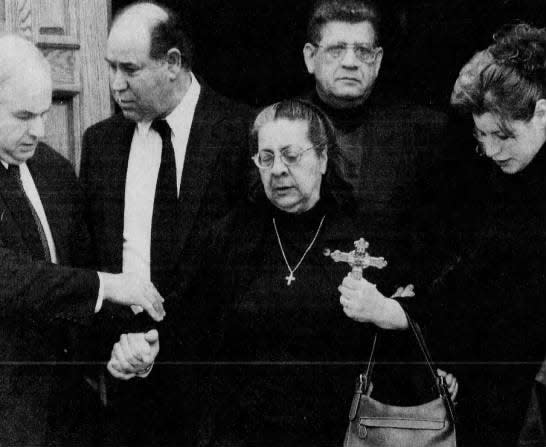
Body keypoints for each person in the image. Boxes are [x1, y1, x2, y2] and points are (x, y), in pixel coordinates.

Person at [180, 99, 457, 447]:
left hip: (342, 432)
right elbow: (189, 328)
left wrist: (390, 312)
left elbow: (437, 315)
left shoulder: (370, 236)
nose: (277, 169)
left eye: (291, 156)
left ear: (323, 158)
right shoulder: (230, 237)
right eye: (266, 158)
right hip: (243, 433)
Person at [79, 1, 252, 444]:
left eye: (130, 69)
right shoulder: (100, 144)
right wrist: (112, 350)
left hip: (216, 385)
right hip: (126, 378)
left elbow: (249, 264)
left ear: (173, 63)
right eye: (110, 67)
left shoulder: (241, 132)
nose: (116, 84)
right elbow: (89, 260)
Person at [0, 33, 165, 446]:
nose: (39, 130)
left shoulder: (52, 169)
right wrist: (109, 285)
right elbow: (11, 277)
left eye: (43, 113)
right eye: (23, 116)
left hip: (70, 419)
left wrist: (128, 342)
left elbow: (84, 272)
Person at [422, 22, 546, 446]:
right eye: (482, 138)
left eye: (504, 135)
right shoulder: (498, 182)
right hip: (498, 393)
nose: (492, 151)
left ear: (543, 113)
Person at [301, 0, 450, 285]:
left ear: (378, 60)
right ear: (310, 57)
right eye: (336, 49)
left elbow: (439, 238)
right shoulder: (276, 125)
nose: (350, 61)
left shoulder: (423, 131)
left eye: (362, 51)